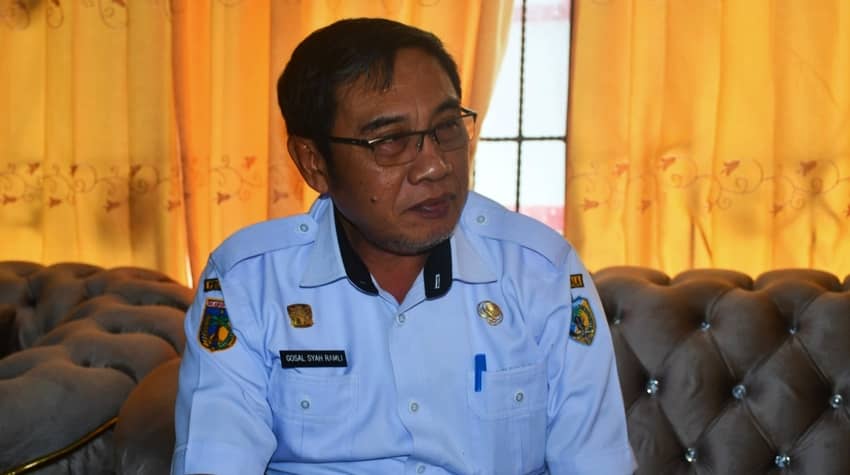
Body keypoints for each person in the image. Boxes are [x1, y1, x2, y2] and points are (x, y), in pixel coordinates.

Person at [171, 18, 636, 475]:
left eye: (447, 127)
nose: (435, 166)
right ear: (314, 163)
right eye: (390, 140)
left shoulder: (541, 272)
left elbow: (595, 464)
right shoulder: (249, 285)